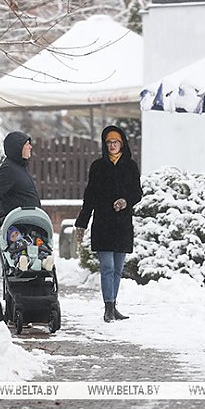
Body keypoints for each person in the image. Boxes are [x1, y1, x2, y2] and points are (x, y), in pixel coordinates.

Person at [74, 126, 142, 323]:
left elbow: (137, 193)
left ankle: (114, 306)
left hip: (122, 225)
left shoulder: (130, 166)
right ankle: (108, 308)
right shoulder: (98, 167)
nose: (112, 146)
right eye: (109, 143)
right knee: (107, 267)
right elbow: (90, 197)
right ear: (105, 145)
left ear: (122, 144)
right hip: (103, 224)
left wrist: (125, 201)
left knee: (118, 269)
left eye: (116, 142)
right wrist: (82, 223)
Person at [0, 131, 41, 224]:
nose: (30, 147)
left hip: (29, 224)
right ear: (18, 147)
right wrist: (2, 217)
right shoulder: (8, 169)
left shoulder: (20, 167)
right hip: (19, 227)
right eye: (27, 144)